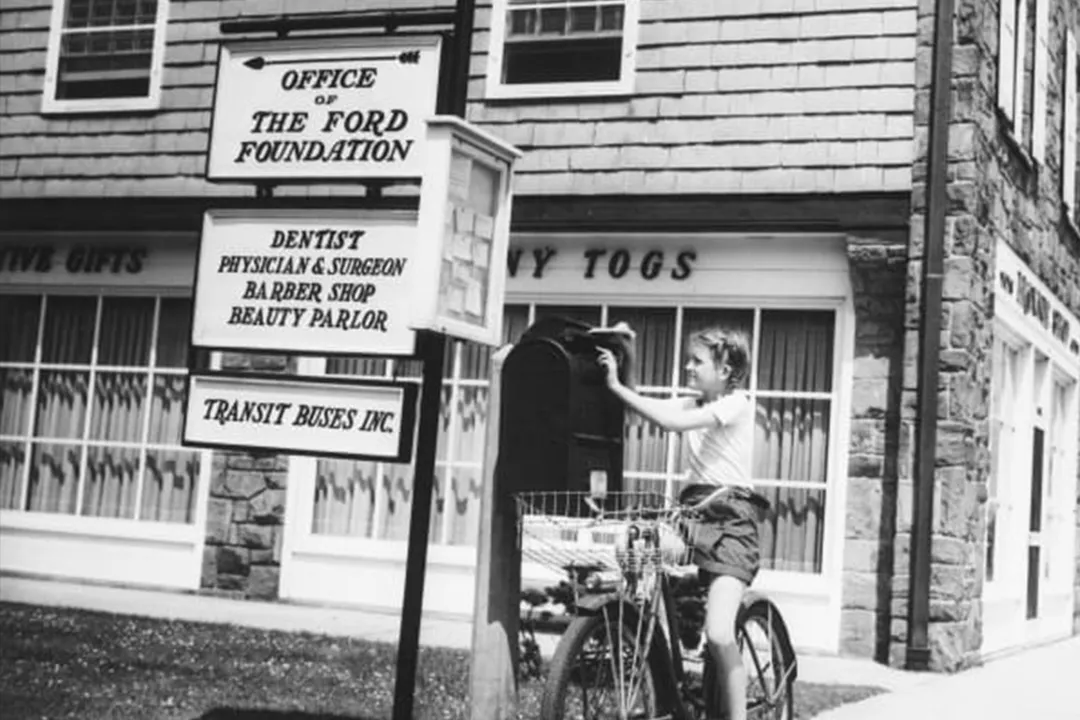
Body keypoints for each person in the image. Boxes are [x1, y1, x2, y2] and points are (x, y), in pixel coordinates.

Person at [596, 326, 760, 720]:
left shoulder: (738, 403)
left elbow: (669, 423)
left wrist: (617, 386)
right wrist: (626, 357)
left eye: (696, 361)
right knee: (634, 546)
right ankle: (646, 649)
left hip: (732, 522)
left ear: (725, 369)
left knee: (720, 633)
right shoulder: (691, 403)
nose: (688, 366)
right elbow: (649, 405)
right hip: (691, 515)